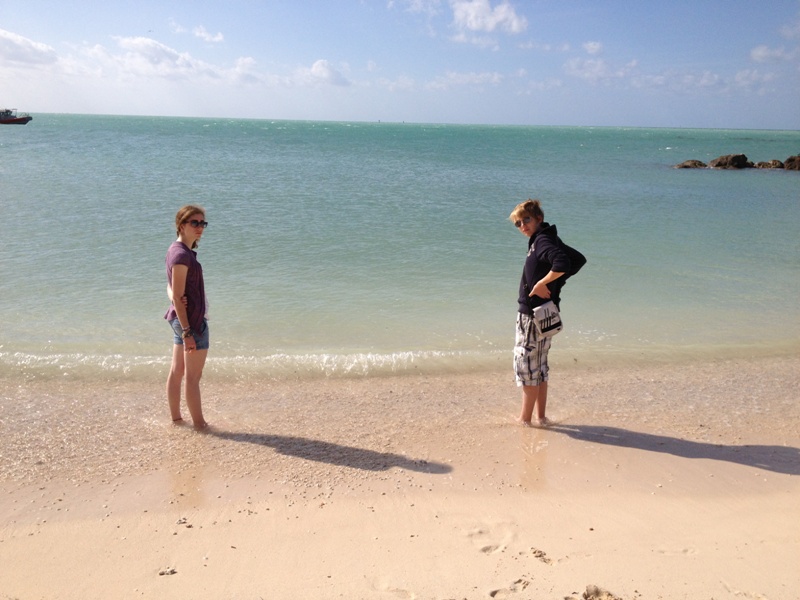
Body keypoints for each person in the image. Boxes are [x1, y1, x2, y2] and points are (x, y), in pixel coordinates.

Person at [510, 199, 585, 427]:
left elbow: (562, 263)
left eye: (526, 220)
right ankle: (541, 418)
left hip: (532, 316)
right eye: (518, 223)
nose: (522, 226)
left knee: (527, 367)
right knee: (540, 367)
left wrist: (544, 283)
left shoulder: (542, 241)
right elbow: (577, 260)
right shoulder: (548, 238)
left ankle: (525, 421)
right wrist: (554, 285)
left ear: (538, 218)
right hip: (546, 313)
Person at [164, 205, 210, 430]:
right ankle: (200, 425)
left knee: (178, 371)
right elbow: (177, 293)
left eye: (203, 223)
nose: (200, 227)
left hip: (181, 320)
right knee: (192, 377)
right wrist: (188, 331)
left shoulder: (177, 251)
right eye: (194, 223)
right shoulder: (182, 255)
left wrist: (174, 298)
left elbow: (171, 289)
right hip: (191, 323)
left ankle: (176, 420)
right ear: (181, 225)